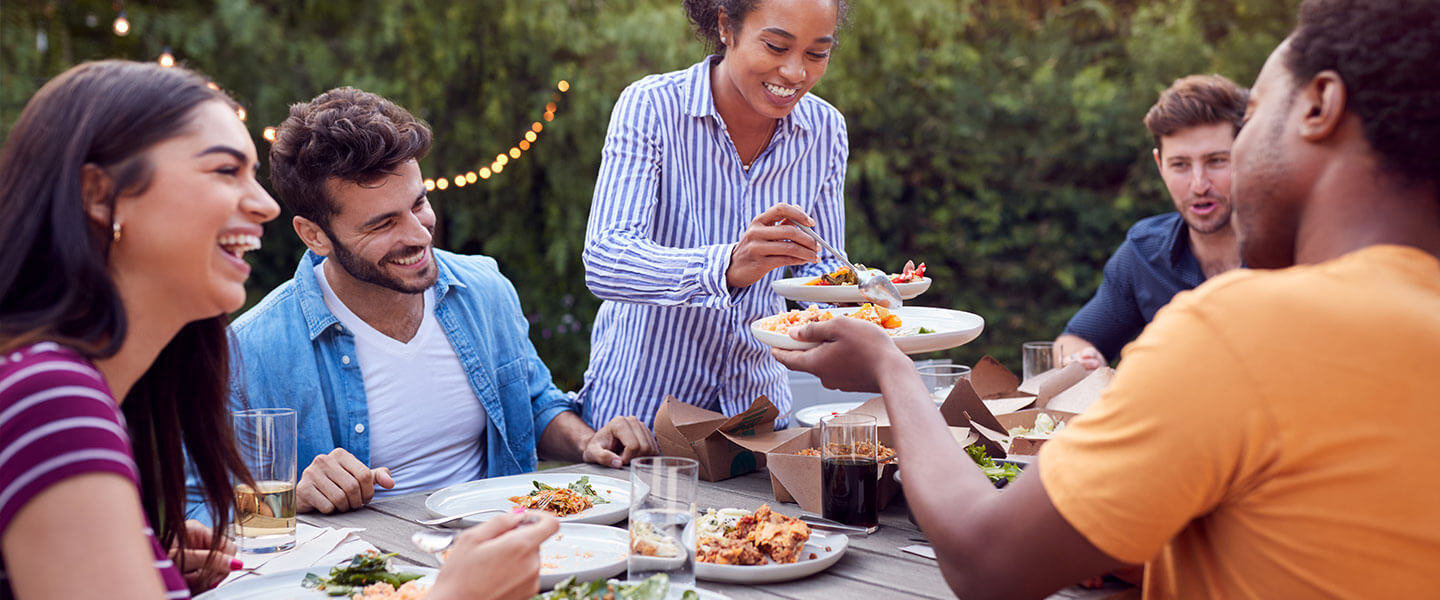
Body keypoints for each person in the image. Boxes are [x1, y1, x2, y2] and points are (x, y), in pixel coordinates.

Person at [772, 0, 1440, 597]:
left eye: (1257, 116)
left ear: (1319, 107)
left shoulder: (1245, 326)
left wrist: (891, 366)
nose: (1216, 174)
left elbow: (985, 560)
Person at [0, 60, 558, 600]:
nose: (264, 205)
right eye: (224, 170)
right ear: (101, 196)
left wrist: (158, 568)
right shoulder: (50, 398)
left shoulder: (80, 389)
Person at [196, 86, 656, 518]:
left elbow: (533, 405)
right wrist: (294, 498)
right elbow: (196, 510)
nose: (419, 235)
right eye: (382, 224)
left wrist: (588, 442)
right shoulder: (250, 351)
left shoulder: (485, 288)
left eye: (418, 204)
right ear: (314, 235)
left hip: (500, 551)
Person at [580, 0, 852, 428]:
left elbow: (821, 270)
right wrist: (725, 267)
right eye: (777, 47)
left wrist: (867, 294)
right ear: (726, 26)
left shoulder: (826, 130)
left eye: (817, 54)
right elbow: (605, 261)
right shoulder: (651, 107)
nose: (797, 73)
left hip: (757, 415)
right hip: (641, 421)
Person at [1056, 75, 1247, 367]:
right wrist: (1081, 360)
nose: (1199, 184)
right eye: (1180, 165)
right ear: (1160, 166)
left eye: (1216, 161)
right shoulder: (1144, 253)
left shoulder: (1295, 251)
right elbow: (1072, 341)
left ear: (1247, 156)